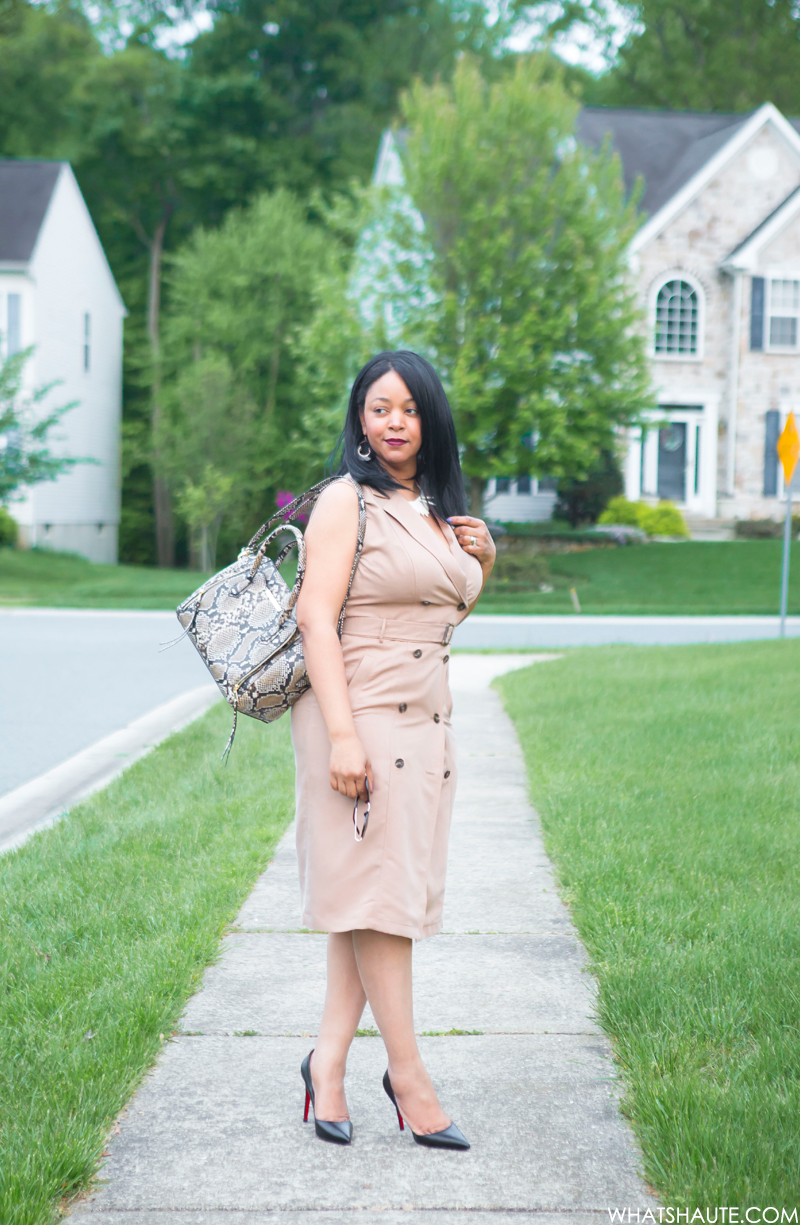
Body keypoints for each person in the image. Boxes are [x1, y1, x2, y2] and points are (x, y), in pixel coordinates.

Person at [293, 350, 496, 1149]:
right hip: (363, 718)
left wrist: (481, 562)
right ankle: (409, 1079)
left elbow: (435, 619)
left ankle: (328, 1064)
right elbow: (316, 618)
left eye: (409, 409)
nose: (395, 422)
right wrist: (343, 735)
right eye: (380, 408)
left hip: (426, 725)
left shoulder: (436, 508)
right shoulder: (346, 501)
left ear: (430, 419)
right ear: (360, 420)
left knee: (370, 901)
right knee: (384, 908)